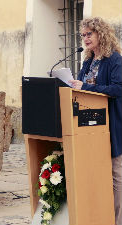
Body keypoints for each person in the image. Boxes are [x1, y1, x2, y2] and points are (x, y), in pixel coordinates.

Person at [69, 17, 122, 225]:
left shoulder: (115, 59)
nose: (85, 38)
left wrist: (85, 87)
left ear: (101, 34)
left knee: (116, 175)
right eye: (83, 35)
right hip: (89, 125)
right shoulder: (88, 60)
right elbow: (81, 87)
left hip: (112, 124)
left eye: (89, 34)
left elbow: (118, 89)